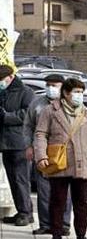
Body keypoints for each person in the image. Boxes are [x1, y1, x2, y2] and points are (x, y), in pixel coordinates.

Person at [33, 77, 87, 239]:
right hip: (59, 161)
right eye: (76, 92)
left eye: (81, 92)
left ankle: (81, 235)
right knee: (57, 200)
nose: (79, 95)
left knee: (81, 202)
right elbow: (41, 134)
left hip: (82, 163)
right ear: (66, 93)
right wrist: (41, 156)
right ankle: (56, 234)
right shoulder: (50, 111)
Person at [25, 73, 71, 236]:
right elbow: (28, 126)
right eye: (49, 85)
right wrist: (29, 146)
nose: (51, 88)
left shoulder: (69, 104)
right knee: (44, 191)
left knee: (63, 190)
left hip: (63, 153)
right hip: (42, 151)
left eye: (55, 85)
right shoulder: (37, 104)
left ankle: (64, 224)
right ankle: (45, 223)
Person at [0, 65, 36, 226]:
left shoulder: (26, 92)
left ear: (10, 77)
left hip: (19, 143)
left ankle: (26, 213)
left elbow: (27, 114)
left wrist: (6, 116)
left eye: (1, 80)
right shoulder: (3, 92)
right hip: (5, 142)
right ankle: (22, 210)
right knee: (13, 179)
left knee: (21, 179)